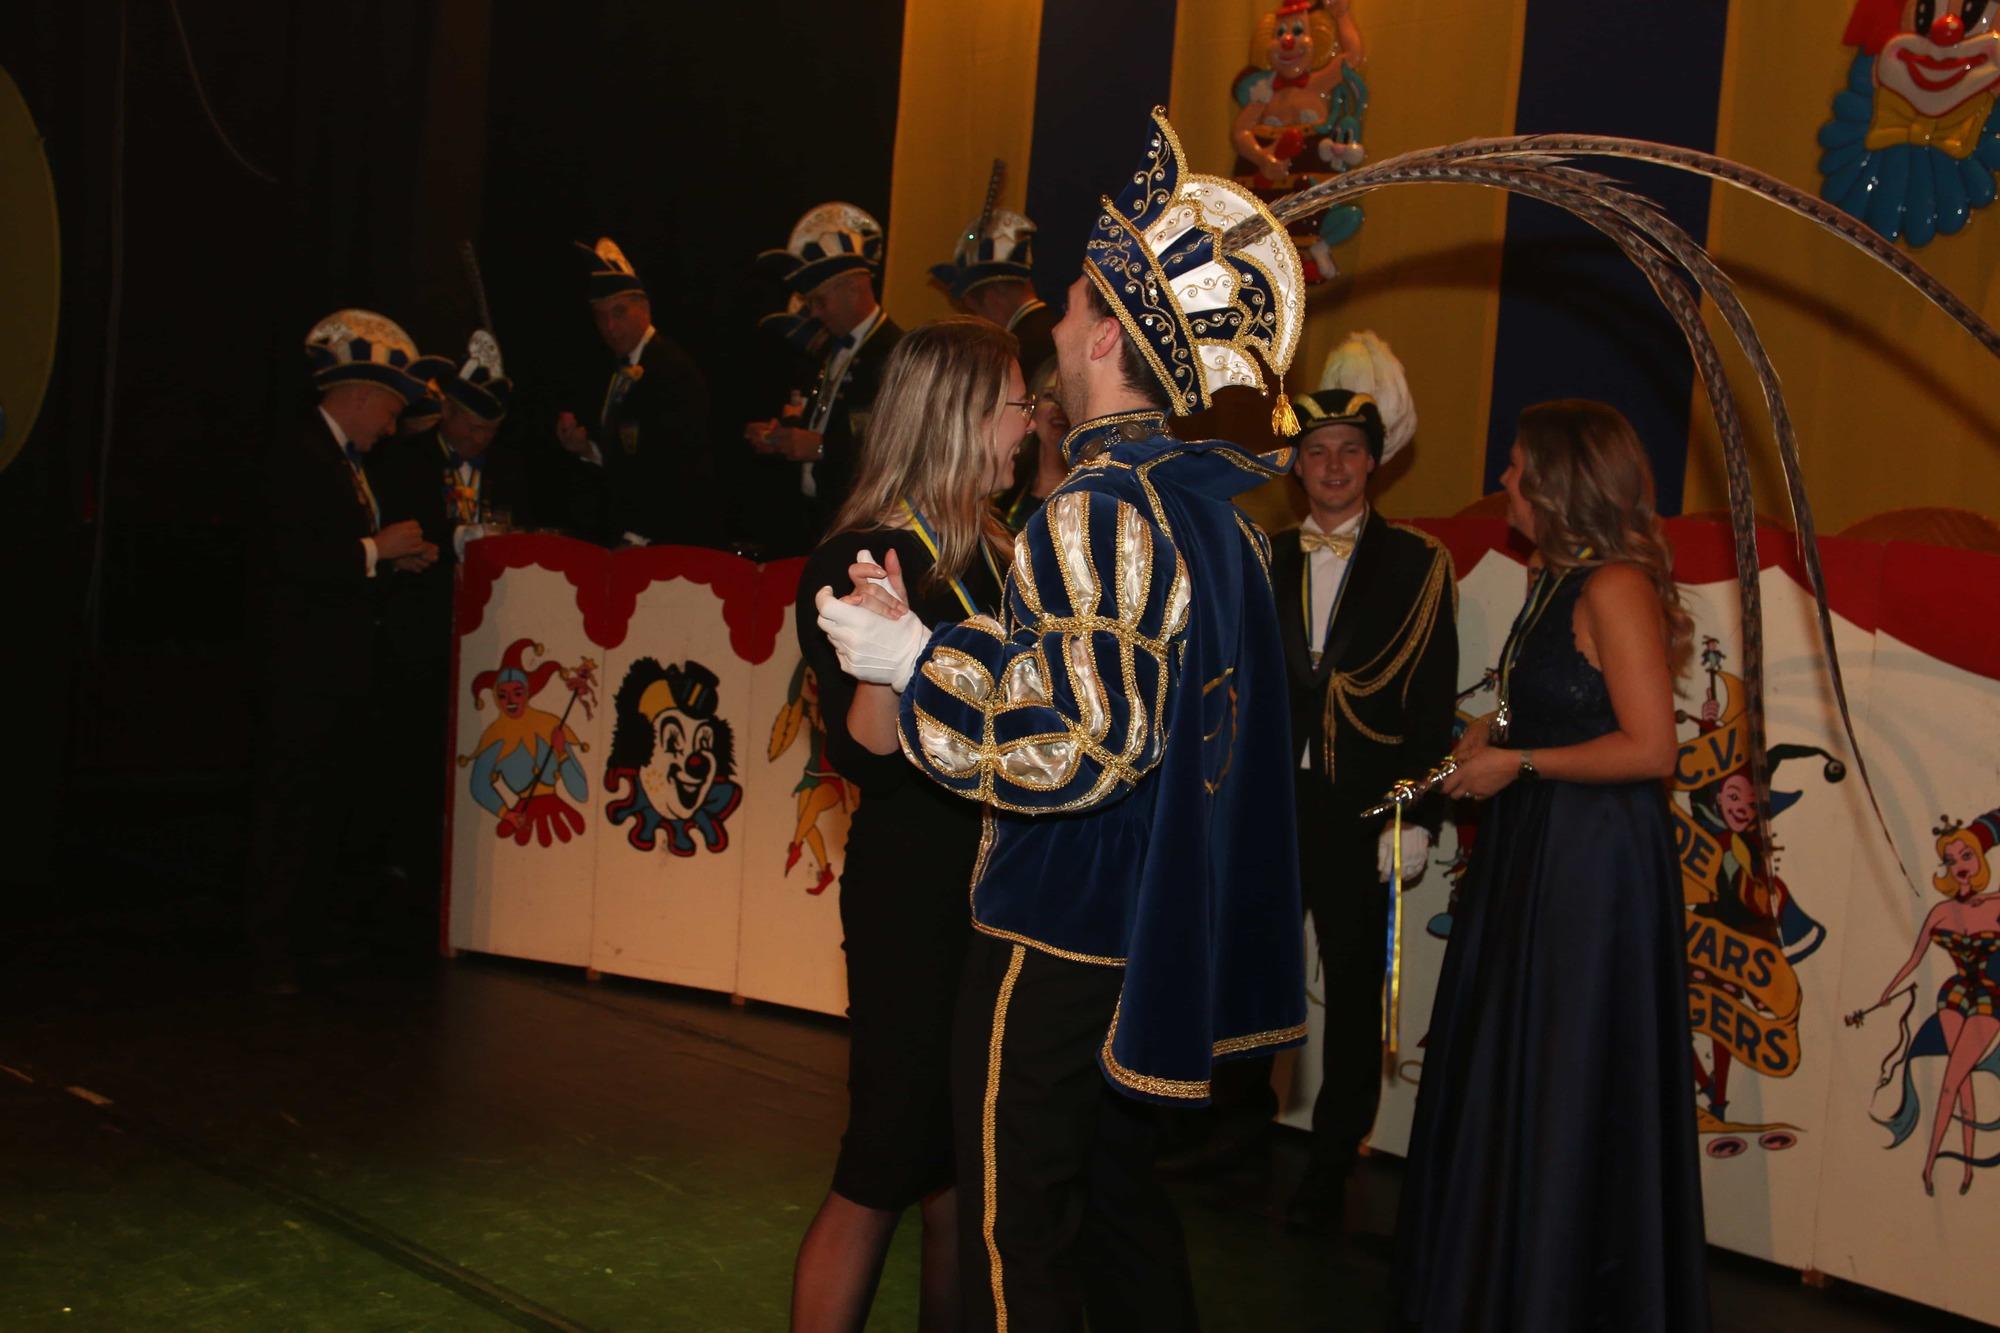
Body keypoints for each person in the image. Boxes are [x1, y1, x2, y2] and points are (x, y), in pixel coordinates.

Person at [816, 109, 1309, 1330]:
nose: (1058, 316)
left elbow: (1088, 740)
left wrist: (917, 659)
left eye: (1078, 297)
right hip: (1135, 923)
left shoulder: (1096, 504)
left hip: (1056, 924)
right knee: (1106, 1221)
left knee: (1014, 1237)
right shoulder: (1206, 507)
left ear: (1101, 335)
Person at [1396, 399, 1710, 1331]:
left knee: (1566, 1076)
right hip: (1539, 851)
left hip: (1591, 868)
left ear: (1559, 483)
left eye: (1517, 465)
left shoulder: (1613, 586)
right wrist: (1486, 734)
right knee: (1518, 1073)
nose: (1504, 479)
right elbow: (1554, 704)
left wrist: (1517, 762)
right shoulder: (1553, 579)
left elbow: (1652, 748)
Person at [789, 318, 1024, 1333]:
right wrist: (884, 654)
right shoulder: (857, 555)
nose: (1029, 423)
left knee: (960, 1177)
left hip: (993, 893)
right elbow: (866, 758)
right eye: (1015, 404)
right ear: (959, 416)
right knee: (881, 1166)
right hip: (913, 901)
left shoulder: (1001, 548)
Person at [1268, 357, 1457, 1229]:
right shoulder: (1263, 555)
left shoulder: (1419, 563)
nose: (1334, 465)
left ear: (1374, 461)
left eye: (1349, 449)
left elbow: (1432, 699)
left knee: (1350, 994)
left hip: (1362, 810)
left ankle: (1331, 1160)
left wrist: (1419, 812)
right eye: (1317, 450)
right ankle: (1231, 1133)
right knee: (1250, 974)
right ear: (1296, 464)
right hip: (1270, 809)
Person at [245, 310, 440, 994]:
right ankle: (270, 948)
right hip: (300, 668)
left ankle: (304, 935)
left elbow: (339, 561)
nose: (391, 425)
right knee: (288, 808)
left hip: (337, 668)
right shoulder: (298, 454)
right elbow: (292, 556)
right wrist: (374, 549)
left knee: (324, 807)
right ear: (358, 396)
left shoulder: (347, 462)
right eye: (389, 410)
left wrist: (389, 561)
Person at [366, 331, 522, 920]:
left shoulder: (509, 465)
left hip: (491, 630)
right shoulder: (405, 458)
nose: (480, 440)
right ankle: (408, 861)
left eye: (490, 432)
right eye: (472, 428)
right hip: (419, 629)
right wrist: (456, 538)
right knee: (415, 748)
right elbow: (398, 527)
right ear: (448, 413)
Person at [1857, 807, 2000, 1197]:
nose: (1960, 865)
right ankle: (1952, 1168)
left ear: (1981, 858)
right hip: (1954, 994)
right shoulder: (1940, 912)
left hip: (1989, 998)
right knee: (1961, 1083)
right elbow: (1914, 959)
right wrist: (1887, 992)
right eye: (1951, 860)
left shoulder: (1996, 905)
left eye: (1966, 855)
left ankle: (1934, 1165)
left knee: (1953, 1079)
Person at [746, 204, 901, 547]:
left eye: (820, 301)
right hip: (817, 519)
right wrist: (784, 435)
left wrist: (821, 448)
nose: (814, 313)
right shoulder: (832, 347)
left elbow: (897, 445)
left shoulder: (896, 351)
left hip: (860, 526)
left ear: (852, 289)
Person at [556, 237, 716, 546]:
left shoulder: (671, 369)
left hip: (667, 540)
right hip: (630, 536)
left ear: (644, 308)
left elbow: (678, 469)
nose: (609, 327)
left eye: (619, 313)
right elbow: (628, 459)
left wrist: (638, 535)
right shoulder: (617, 367)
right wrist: (586, 450)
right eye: (600, 316)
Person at [929, 206, 1056, 383]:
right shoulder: (1056, 327)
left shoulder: (1012, 350)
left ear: (991, 299)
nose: (979, 320)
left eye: (975, 311)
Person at [992, 358, 1067, 533]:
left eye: (1067, 397)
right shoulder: (1004, 480)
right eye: (1049, 396)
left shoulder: (1090, 492)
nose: (1059, 407)